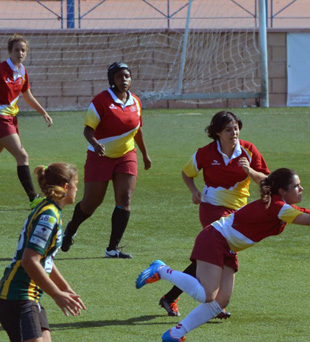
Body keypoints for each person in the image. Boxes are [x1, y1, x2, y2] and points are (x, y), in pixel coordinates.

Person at [136, 168, 310, 342]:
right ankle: (162, 269)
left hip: (227, 246)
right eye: (297, 186)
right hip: (214, 239)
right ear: (283, 190)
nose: (301, 189)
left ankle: (176, 334)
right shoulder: (278, 207)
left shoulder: (282, 206)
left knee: (220, 301)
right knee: (207, 295)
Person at [157, 110, 270, 319]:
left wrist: (250, 172)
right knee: (222, 253)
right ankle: (218, 304)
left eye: (236, 128)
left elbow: (267, 181)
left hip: (238, 213)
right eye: (228, 129)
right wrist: (194, 192)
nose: (234, 133)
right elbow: (187, 173)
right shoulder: (206, 153)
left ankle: (170, 297)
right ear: (217, 132)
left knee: (209, 258)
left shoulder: (249, 151)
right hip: (212, 207)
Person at [0, 163, 86, 342]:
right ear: (64, 187)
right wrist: (58, 295)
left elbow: (45, 259)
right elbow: (30, 261)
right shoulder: (49, 215)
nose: (77, 189)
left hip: (32, 293)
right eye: (75, 184)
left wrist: (65, 288)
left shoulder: (50, 210)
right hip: (17, 294)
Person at [61, 62, 151, 259]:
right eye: (119, 76)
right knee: (91, 203)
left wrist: (145, 154)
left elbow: (138, 130)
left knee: (125, 199)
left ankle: (112, 248)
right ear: (112, 80)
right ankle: (71, 229)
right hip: (99, 156)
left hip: (126, 155)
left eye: (127, 76)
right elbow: (87, 130)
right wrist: (95, 144)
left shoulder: (135, 101)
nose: (124, 80)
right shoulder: (100, 101)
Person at [0, 34, 53, 209]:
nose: (20, 53)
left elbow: (27, 95)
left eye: (23, 50)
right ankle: (33, 198)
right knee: (22, 156)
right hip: (1, 120)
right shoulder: (1, 70)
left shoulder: (22, 71)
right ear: (9, 52)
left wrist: (43, 112)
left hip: (12, 119)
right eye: (17, 50)